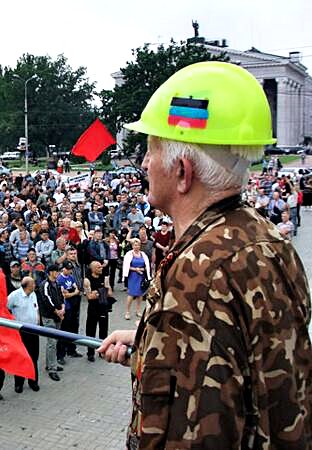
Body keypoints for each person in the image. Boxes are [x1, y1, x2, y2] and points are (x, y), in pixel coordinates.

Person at [97, 61, 312, 449]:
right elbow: (243, 368)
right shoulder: (266, 239)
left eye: (151, 150)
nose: (144, 163)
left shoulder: (198, 273)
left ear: (182, 173)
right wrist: (150, 343)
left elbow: (197, 432)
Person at [6, 277, 40, 393]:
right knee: (20, 357)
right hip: (21, 332)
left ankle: (33, 381)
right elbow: (5, 307)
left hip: (34, 331)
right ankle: (19, 383)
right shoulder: (15, 296)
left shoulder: (33, 294)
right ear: (27, 285)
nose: (35, 285)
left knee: (34, 357)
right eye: (33, 283)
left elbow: (36, 309)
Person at [38, 264, 65, 382]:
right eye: (55, 271)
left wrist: (63, 308)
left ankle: (51, 364)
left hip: (57, 316)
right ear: (50, 272)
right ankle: (52, 369)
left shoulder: (57, 284)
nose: (58, 273)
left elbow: (61, 296)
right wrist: (57, 311)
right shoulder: (45, 284)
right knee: (51, 342)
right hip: (49, 317)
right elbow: (46, 299)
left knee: (54, 341)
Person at [83, 261, 113, 362]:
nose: (101, 269)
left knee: (103, 330)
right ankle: (90, 353)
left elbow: (109, 293)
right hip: (93, 309)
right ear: (93, 269)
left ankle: (102, 351)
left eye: (101, 267)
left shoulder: (105, 277)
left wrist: (100, 292)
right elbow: (90, 297)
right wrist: (101, 292)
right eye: (99, 267)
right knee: (90, 331)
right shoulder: (87, 280)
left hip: (103, 307)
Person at [122, 238, 151, 320]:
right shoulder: (129, 254)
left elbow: (147, 266)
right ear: (132, 246)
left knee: (140, 294)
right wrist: (135, 269)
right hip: (132, 276)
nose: (137, 246)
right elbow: (126, 266)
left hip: (141, 276)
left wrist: (143, 269)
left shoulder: (143, 254)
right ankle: (127, 312)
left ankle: (138, 311)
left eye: (138, 245)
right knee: (131, 294)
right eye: (135, 245)